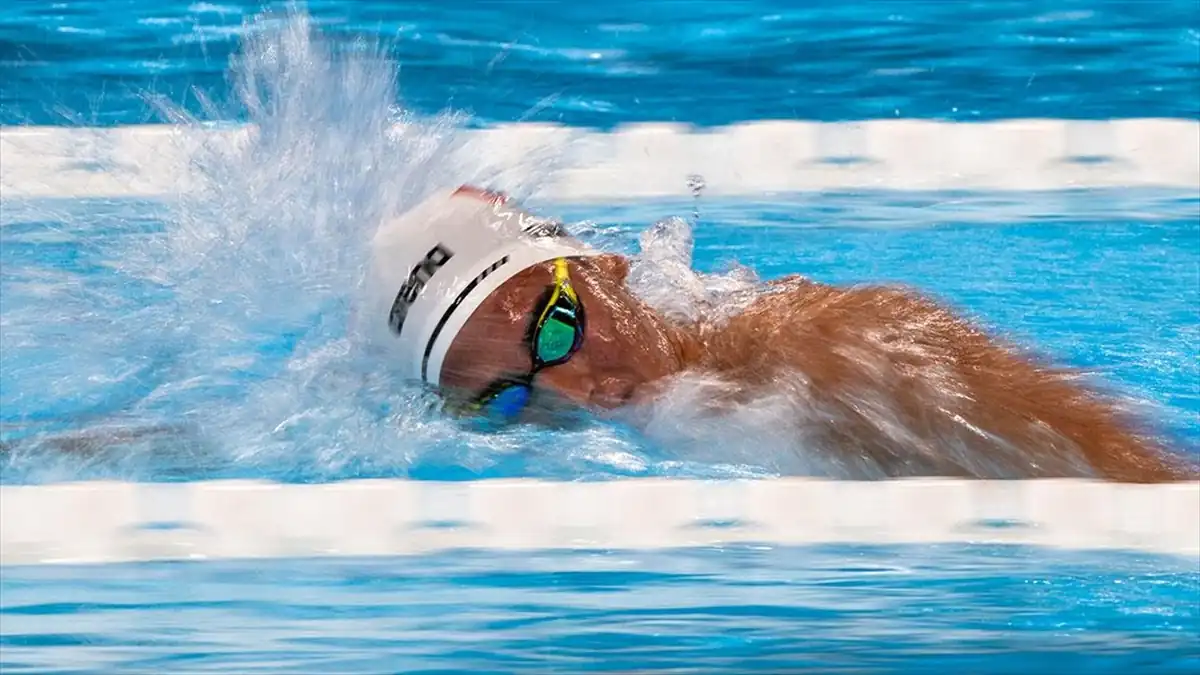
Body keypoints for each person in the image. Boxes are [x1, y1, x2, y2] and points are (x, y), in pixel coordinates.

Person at [364, 185, 1197, 483]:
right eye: (511, 399)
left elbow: (1152, 490)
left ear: (606, 266)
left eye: (557, 333)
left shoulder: (847, 352)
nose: (588, 395)